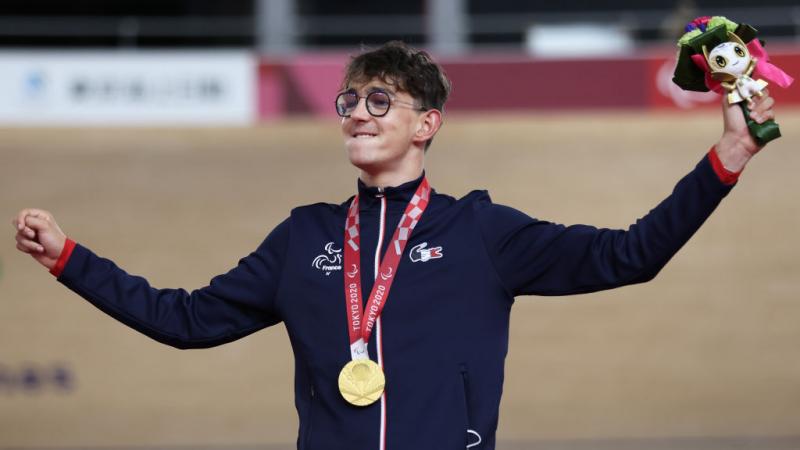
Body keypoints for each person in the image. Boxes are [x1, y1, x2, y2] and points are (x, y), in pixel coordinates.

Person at [12, 41, 777, 450]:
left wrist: (728, 160)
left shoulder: (481, 231)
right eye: (351, 102)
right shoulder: (303, 237)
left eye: (382, 101)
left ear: (427, 123)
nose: (358, 114)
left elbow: (629, 255)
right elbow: (182, 320)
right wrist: (70, 259)